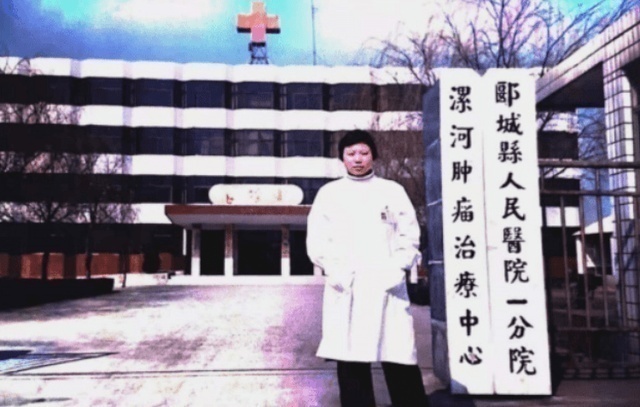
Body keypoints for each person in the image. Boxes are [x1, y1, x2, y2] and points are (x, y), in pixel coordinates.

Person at [307, 130, 429, 406]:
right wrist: (335, 272)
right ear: (342, 158)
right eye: (351, 154)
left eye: (363, 152)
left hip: (387, 286)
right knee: (352, 361)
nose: (358, 159)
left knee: (398, 355)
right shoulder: (329, 194)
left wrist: (396, 270)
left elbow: (409, 235)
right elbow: (317, 240)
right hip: (348, 287)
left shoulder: (392, 191)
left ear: (373, 155)